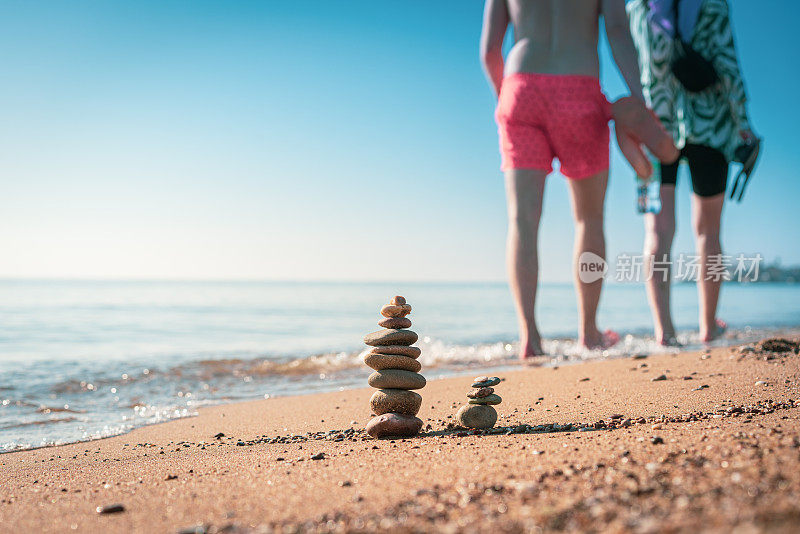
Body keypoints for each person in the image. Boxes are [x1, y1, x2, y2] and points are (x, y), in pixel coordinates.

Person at [480, 0, 658, 357]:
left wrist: (508, 98)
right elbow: (619, 32)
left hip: (522, 85)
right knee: (589, 219)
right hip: (578, 87)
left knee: (522, 220)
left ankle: (530, 338)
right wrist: (641, 100)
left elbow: (489, 51)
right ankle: (588, 333)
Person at [627, 0, 755, 344]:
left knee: (657, 232)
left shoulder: (638, 6)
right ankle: (708, 327)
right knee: (708, 233)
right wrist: (744, 126)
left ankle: (664, 332)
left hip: (655, 127)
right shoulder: (713, 3)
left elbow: (635, 67)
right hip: (711, 126)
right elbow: (729, 66)